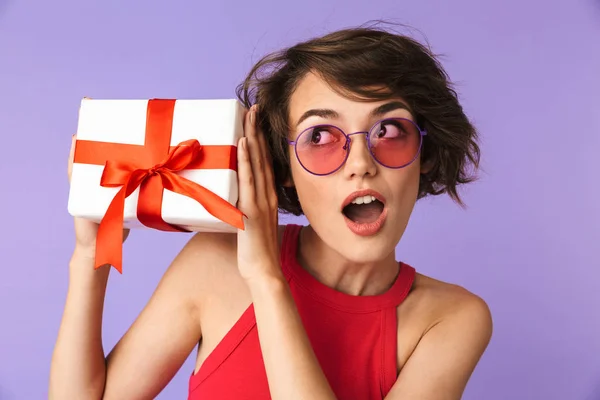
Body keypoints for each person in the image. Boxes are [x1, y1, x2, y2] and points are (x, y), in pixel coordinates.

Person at [49, 23, 493, 400]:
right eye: (320, 136)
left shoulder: (452, 318)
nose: (360, 163)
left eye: (389, 129)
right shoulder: (213, 264)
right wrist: (90, 256)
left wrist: (266, 280)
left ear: (426, 153)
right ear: (281, 169)